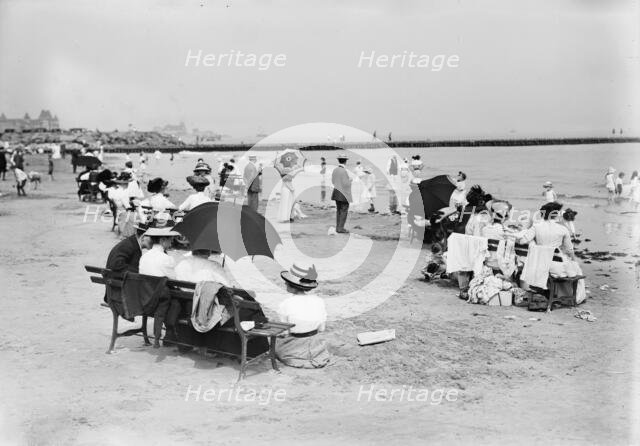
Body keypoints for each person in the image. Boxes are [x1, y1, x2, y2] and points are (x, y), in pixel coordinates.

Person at [276, 263, 330, 369]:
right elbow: (322, 329)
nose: (285, 284)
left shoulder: (285, 304)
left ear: (293, 286)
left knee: (276, 345)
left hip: (295, 344)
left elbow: (285, 333)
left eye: (287, 283)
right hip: (315, 345)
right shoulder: (319, 301)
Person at [331, 155, 352, 233]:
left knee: (339, 210)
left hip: (336, 192)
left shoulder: (335, 169)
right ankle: (341, 228)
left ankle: (338, 227)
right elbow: (346, 184)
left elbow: (333, 181)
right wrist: (350, 180)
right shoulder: (344, 171)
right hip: (344, 194)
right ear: (345, 161)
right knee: (344, 210)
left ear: (339, 161)